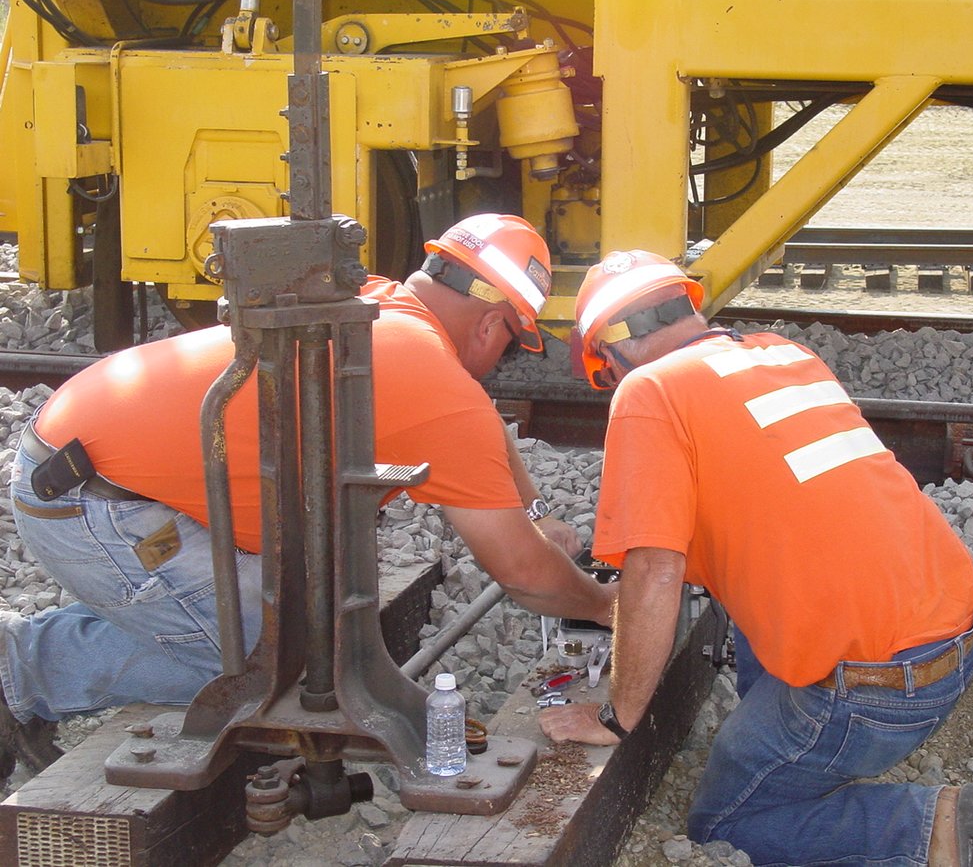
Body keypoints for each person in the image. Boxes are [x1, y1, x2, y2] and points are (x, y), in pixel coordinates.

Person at [1, 213, 616, 780]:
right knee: (264, 670)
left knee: (268, 627)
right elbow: (525, 575)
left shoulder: (376, 303)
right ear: (490, 325)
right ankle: (19, 671)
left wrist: (536, 511)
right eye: (511, 342)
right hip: (97, 504)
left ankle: (63, 644)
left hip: (85, 458)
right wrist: (608, 606)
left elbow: (471, 409)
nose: (501, 358)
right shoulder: (439, 387)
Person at [539, 250, 973, 867]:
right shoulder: (779, 353)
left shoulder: (649, 390)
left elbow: (653, 572)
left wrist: (619, 717)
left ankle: (931, 827)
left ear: (611, 354)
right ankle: (788, 736)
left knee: (727, 821)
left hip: (879, 690)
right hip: (956, 633)